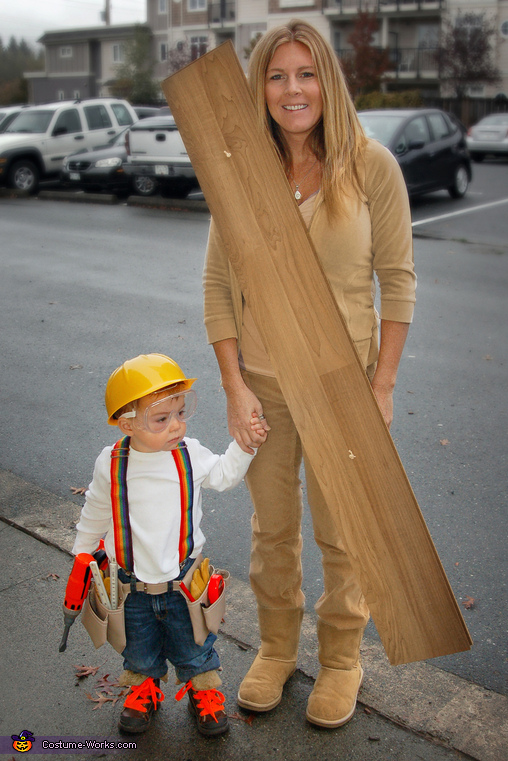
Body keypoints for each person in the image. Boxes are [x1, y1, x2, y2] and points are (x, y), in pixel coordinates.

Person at [203, 20, 416, 729]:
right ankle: (273, 649)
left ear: (327, 80)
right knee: (272, 531)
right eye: (276, 75)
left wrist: (380, 385)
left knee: (345, 532)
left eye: (306, 73)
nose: (292, 90)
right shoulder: (242, 173)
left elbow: (398, 282)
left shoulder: (370, 166)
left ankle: (342, 659)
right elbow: (216, 286)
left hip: (340, 385)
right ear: (260, 86)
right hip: (264, 387)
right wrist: (234, 387)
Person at [72, 353, 265, 736]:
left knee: (195, 645)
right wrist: (81, 555)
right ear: (127, 423)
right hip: (132, 587)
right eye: (162, 419)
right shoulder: (111, 463)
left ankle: (203, 692)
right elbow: (96, 508)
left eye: (181, 412)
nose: (176, 425)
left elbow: (224, 476)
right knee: (138, 647)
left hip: (184, 584)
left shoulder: (189, 454)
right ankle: (144, 688)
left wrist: (245, 446)